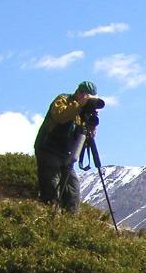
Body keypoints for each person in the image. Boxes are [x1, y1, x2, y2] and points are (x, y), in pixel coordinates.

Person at [33, 81, 104, 212]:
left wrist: (91, 125)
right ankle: (50, 218)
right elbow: (61, 116)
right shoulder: (63, 100)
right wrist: (79, 106)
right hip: (49, 148)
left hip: (66, 154)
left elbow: (85, 138)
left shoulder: (83, 113)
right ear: (80, 93)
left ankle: (69, 224)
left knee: (73, 191)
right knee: (52, 188)